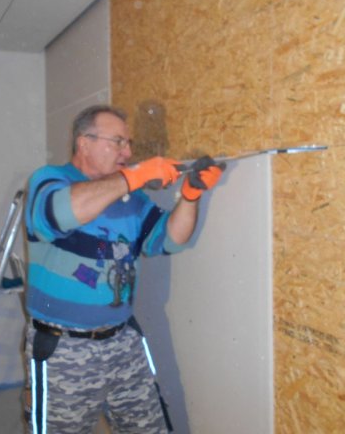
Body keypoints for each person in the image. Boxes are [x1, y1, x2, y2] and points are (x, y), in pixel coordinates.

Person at [23, 104, 222, 433]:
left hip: (123, 341)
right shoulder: (50, 180)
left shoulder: (133, 200)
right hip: (64, 349)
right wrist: (134, 176)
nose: (127, 152)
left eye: (128, 143)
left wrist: (191, 196)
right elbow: (58, 214)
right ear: (84, 142)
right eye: (117, 142)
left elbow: (171, 240)